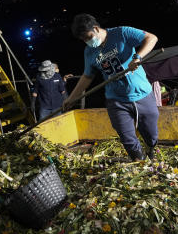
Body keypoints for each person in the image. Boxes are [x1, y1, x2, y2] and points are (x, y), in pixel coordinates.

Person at [63, 14, 159, 161]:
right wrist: (71, 98)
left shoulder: (122, 33)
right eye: (82, 39)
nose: (87, 41)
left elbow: (151, 38)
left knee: (151, 134)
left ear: (95, 28)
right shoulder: (89, 52)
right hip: (116, 100)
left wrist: (138, 57)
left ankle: (151, 149)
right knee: (127, 138)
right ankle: (139, 162)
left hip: (142, 94)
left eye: (87, 37)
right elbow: (87, 76)